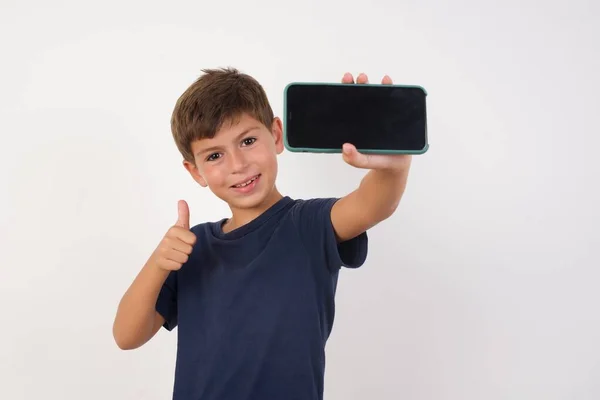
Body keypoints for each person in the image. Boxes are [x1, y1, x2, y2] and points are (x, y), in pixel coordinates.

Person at [112, 67, 412, 400]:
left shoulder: (308, 224)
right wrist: (158, 262)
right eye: (215, 155)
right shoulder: (192, 247)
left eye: (248, 141)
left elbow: (374, 204)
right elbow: (126, 336)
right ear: (195, 171)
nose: (237, 164)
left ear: (276, 135)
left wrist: (393, 164)